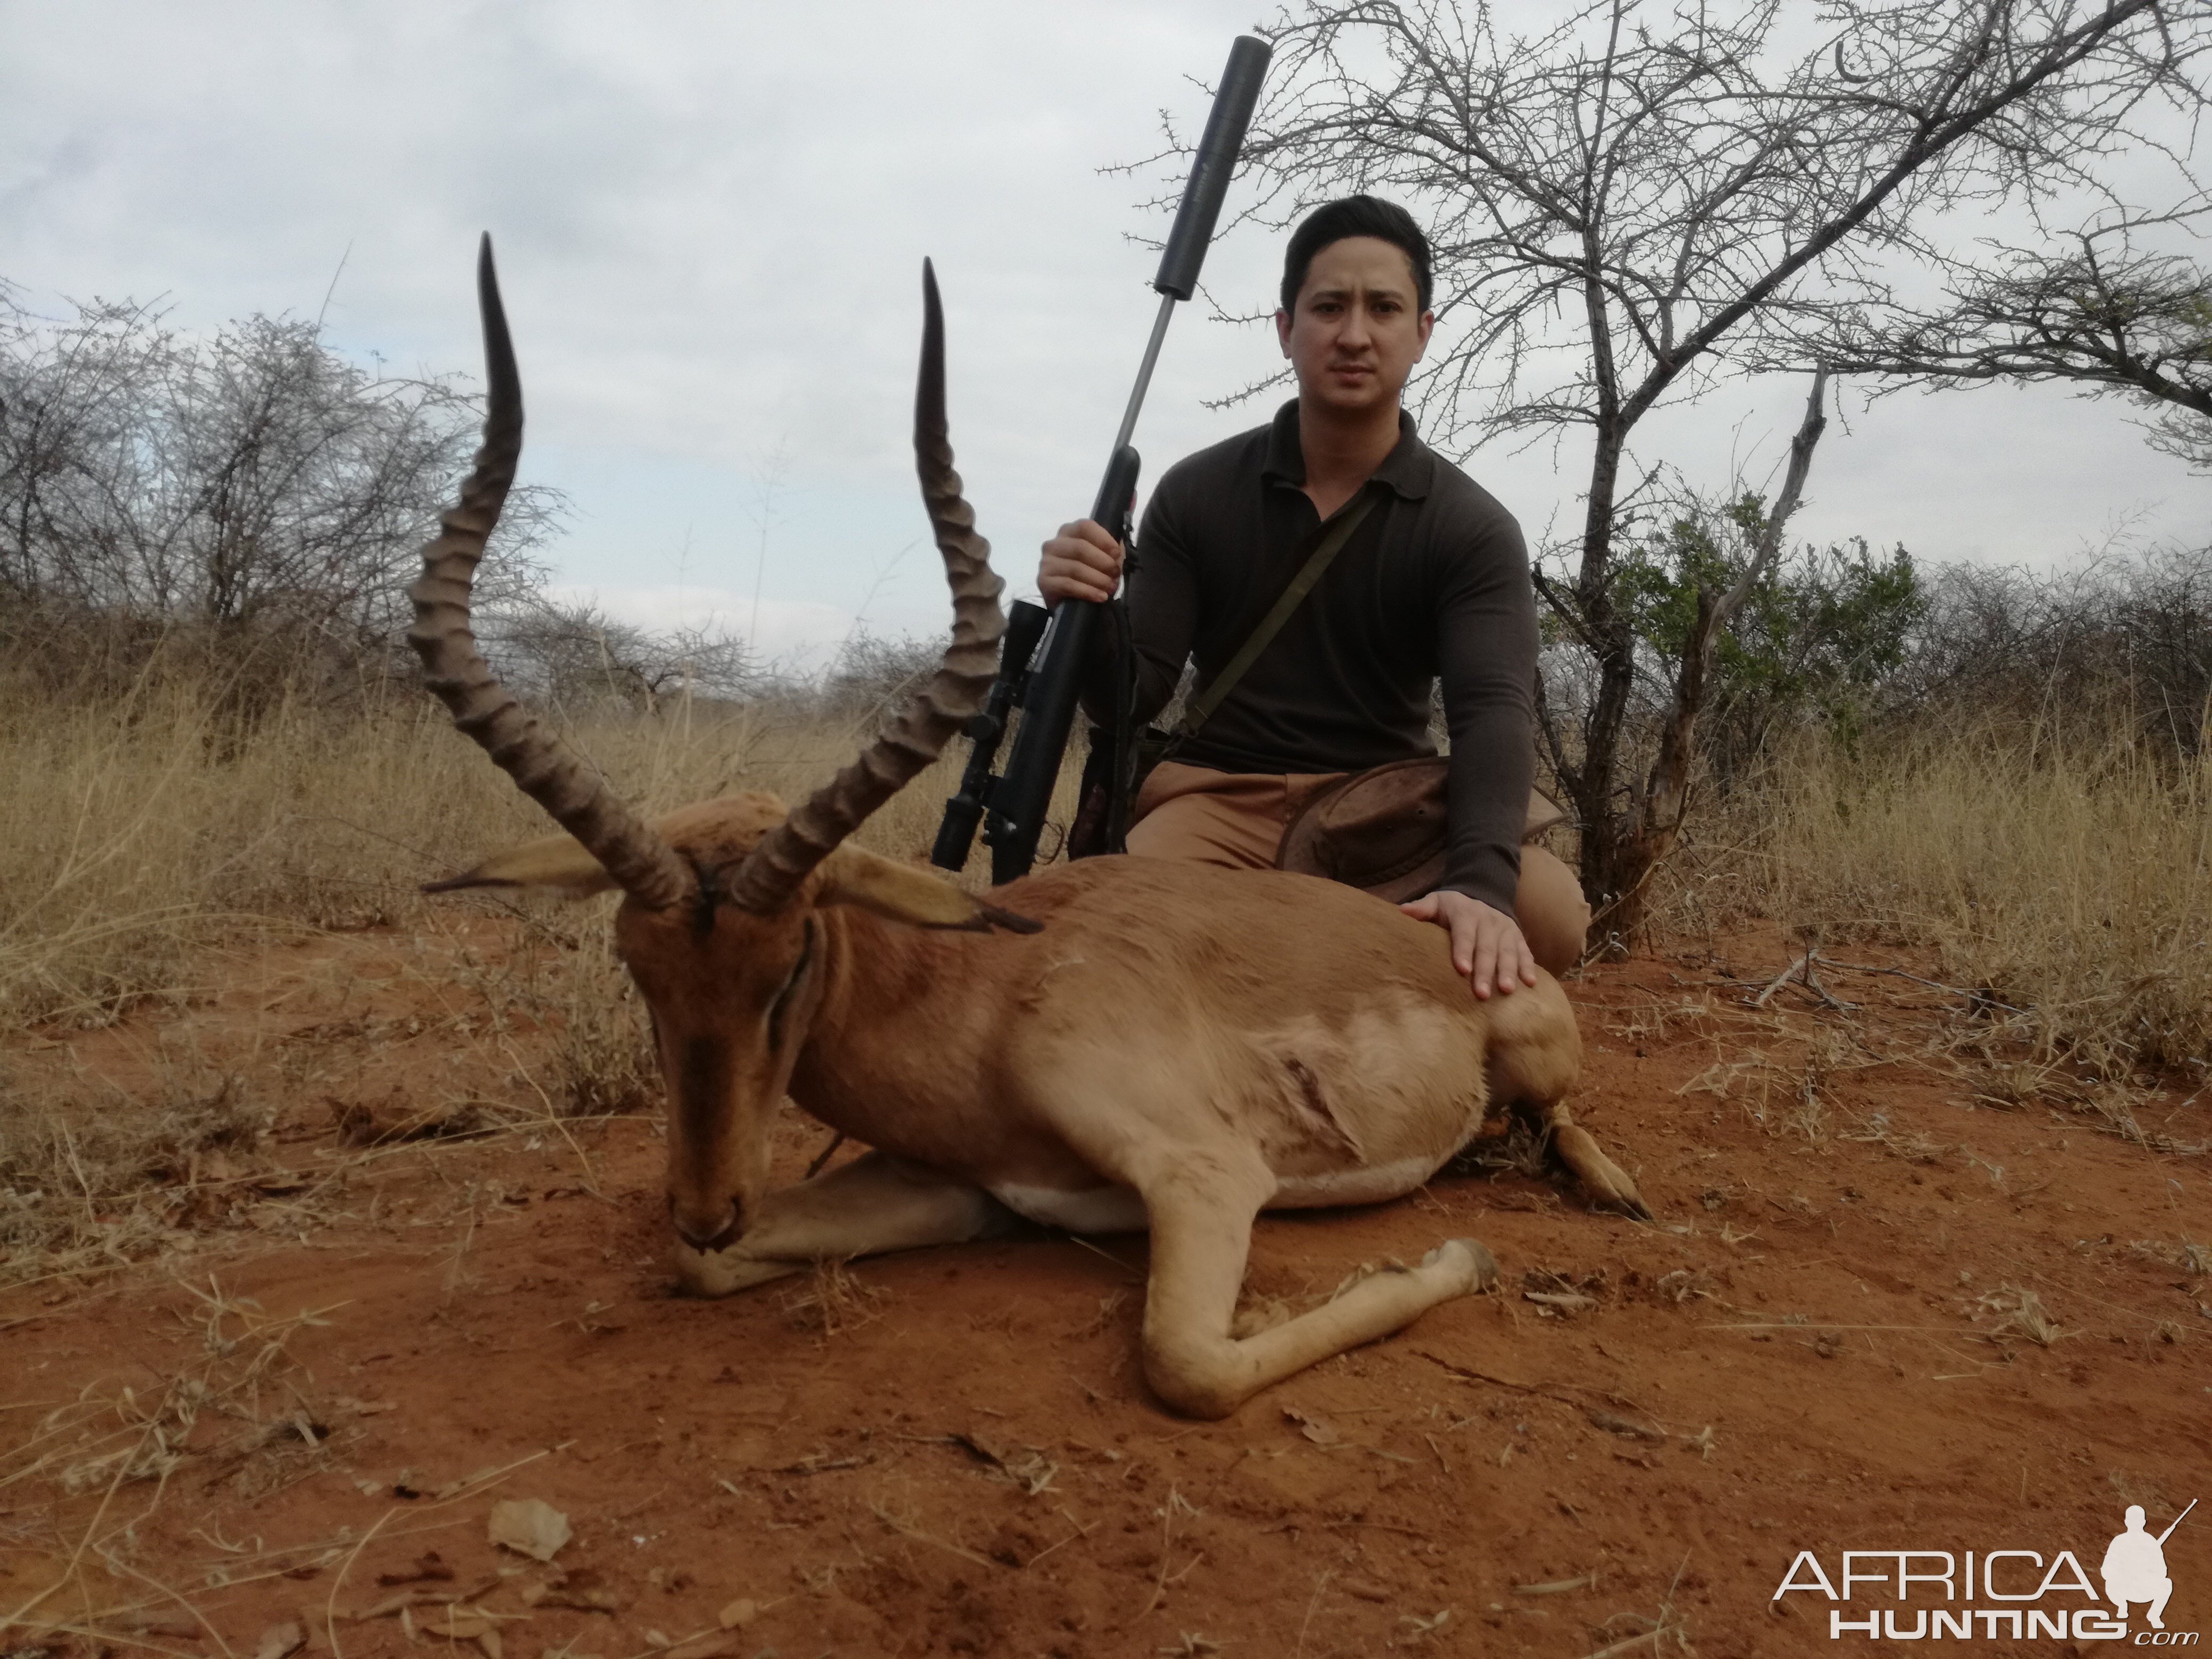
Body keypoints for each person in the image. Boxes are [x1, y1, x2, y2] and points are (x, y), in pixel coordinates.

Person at [1039, 195, 1587, 1001]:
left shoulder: (1472, 528)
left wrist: (1476, 883)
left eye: (1383, 308)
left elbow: (1492, 714)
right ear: (1286, 328)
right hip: (1217, 801)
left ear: (1422, 333)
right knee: (1107, 938)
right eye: (1328, 307)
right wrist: (1083, 609)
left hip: (1381, 814)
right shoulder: (1195, 492)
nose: (1354, 334)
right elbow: (1135, 693)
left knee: (1547, 915)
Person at [2101, 1505, 2174, 1629]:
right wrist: (2124, 1571)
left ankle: (2154, 1615)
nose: (2135, 1524)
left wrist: (2146, 1571)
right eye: (2133, 1521)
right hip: (2122, 1590)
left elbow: (2163, 1572)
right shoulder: (2119, 1541)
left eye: (2137, 1521)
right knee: (2110, 1583)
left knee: (2167, 1584)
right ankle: (2122, 1606)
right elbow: (2106, 1570)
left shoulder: (2151, 1542)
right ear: (2127, 1522)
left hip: (2144, 1590)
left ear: (2143, 1522)